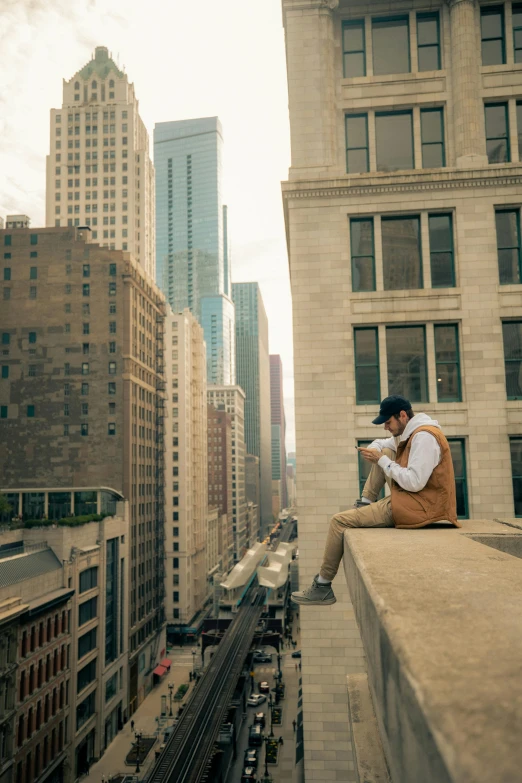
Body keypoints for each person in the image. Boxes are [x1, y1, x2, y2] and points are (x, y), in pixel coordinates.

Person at [291, 395, 459, 607]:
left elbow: (415, 482)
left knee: (339, 521)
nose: (386, 428)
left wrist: (382, 460)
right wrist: (376, 452)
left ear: (403, 415)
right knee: (385, 450)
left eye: (388, 422)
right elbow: (382, 444)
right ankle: (366, 502)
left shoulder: (424, 437)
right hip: (416, 500)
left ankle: (323, 586)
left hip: (420, 507)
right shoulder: (411, 432)